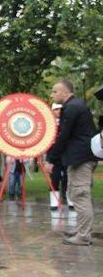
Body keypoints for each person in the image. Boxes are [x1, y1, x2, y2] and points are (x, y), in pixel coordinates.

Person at [46, 79, 98, 246]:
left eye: (55, 91)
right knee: (77, 194)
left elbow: (63, 136)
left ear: (65, 93)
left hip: (81, 158)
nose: (52, 94)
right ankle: (82, 230)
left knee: (80, 195)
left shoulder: (72, 107)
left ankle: (83, 236)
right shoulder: (75, 106)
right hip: (80, 157)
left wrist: (51, 159)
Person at [46, 103, 69, 209]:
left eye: (60, 109)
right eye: (56, 109)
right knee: (54, 179)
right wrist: (48, 160)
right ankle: (54, 203)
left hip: (66, 155)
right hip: (53, 157)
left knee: (68, 179)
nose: (58, 112)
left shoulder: (67, 123)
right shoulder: (49, 125)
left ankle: (70, 201)